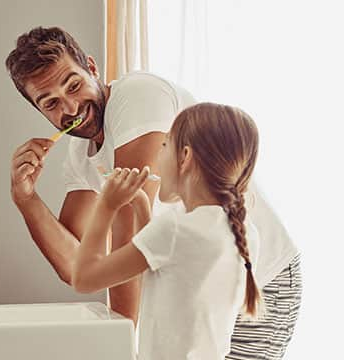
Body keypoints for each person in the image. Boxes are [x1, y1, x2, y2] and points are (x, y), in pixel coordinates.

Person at [6, 26, 301, 359]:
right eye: (51, 103)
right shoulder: (81, 156)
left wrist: (123, 348)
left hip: (258, 280)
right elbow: (77, 265)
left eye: (73, 85)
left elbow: (126, 232)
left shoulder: (137, 96)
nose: (71, 108)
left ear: (92, 67)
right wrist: (26, 198)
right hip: (197, 293)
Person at [73, 102, 261, 359]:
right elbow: (166, 269)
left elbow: (85, 279)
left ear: (184, 157)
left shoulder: (175, 229)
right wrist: (140, 205)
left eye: (164, 145)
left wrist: (106, 205)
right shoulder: (242, 231)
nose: (158, 156)